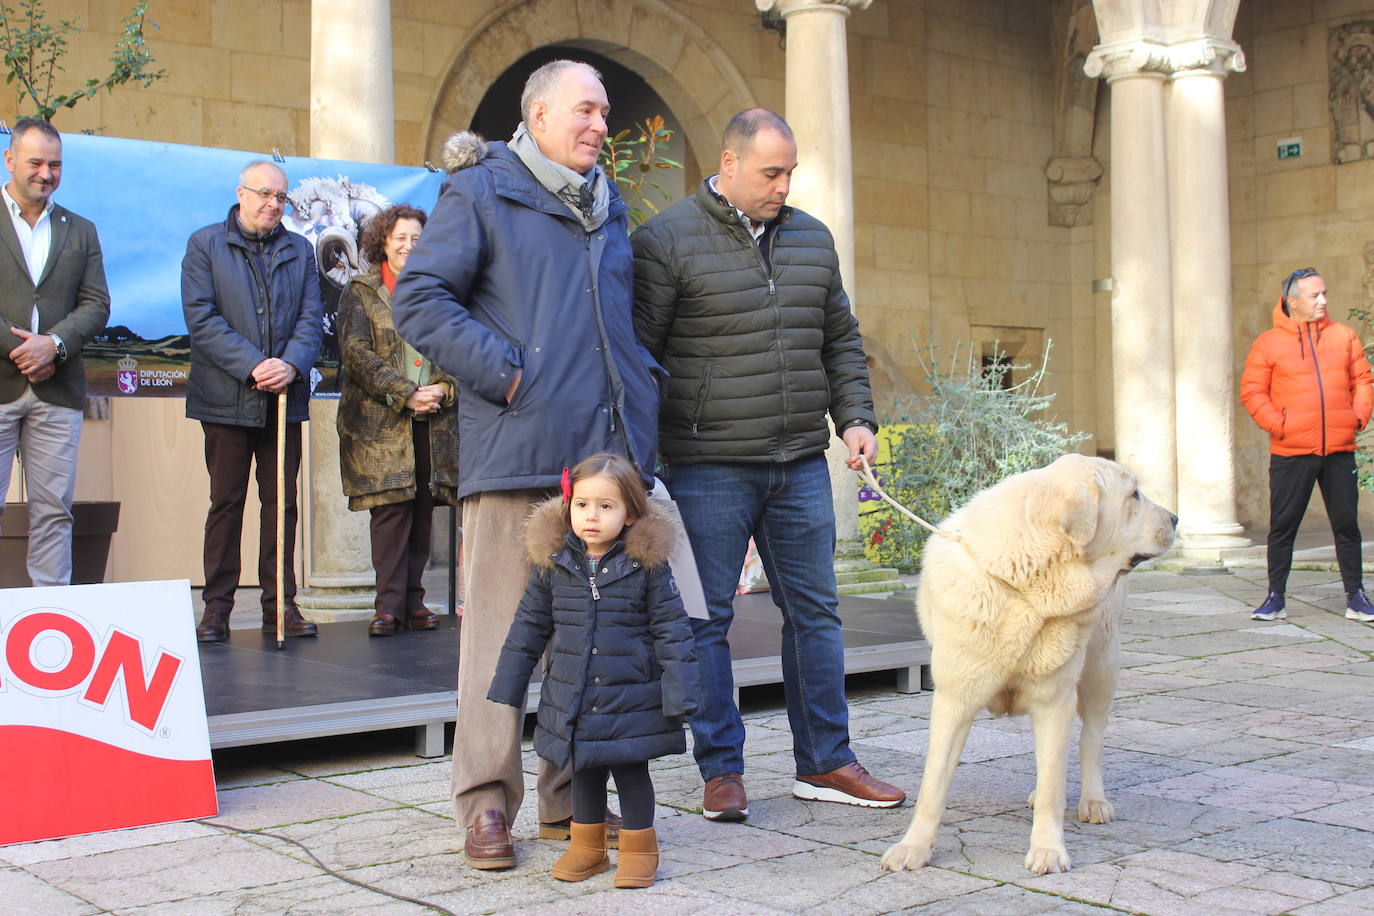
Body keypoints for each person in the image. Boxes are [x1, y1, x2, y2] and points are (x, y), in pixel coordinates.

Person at [391, 62, 662, 869]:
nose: (599, 125)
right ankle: (485, 805)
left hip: (599, 467)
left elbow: (620, 327)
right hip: (517, 456)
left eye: (606, 112)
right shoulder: (482, 191)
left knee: (588, 637)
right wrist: (512, 374)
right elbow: (420, 299)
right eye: (586, 110)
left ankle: (567, 802)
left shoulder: (608, 210)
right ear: (538, 115)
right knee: (503, 642)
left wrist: (643, 399)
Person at [631, 108, 905, 820]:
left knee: (816, 613)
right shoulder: (664, 242)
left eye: (790, 173)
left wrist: (855, 418)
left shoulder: (814, 240)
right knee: (706, 618)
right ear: (728, 163)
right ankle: (721, 769)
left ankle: (827, 761)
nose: (784, 186)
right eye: (770, 173)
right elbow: (640, 357)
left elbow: (840, 339)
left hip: (799, 463)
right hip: (707, 465)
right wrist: (642, 461)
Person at [488, 453, 697, 888]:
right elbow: (528, 626)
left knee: (632, 772)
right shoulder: (555, 564)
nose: (592, 517)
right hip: (574, 695)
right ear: (568, 507)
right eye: (582, 505)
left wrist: (680, 692)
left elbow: (673, 630)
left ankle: (641, 848)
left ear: (630, 512)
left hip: (632, 697)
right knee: (582, 771)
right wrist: (509, 683)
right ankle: (586, 846)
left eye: (606, 506)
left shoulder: (648, 568)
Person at [182, 160, 324, 642]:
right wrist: (254, 365)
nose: (273, 204)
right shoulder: (206, 244)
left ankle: (280, 605)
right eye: (264, 194)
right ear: (240, 193)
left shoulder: (299, 249)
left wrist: (289, 364)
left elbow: (311, 317)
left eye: (281, 197)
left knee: (281, 505)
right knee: (226, 503)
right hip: (226, 398)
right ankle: (217, 610)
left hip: (284, 399)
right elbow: (202, 320)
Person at [336, 204, 458, 636]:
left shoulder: (438, 291)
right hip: (380, 424)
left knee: (424, 509)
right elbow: (356, 355)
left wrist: (441, 388)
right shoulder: (360, 291)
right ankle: (387, 607)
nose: (409, 246)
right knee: (391, 512)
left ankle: (414, 601)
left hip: (433, 419)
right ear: (383, 241)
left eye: (418, 240)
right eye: (401, 237)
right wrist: (406, 393)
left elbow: (455, 346)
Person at [0, 118, 110, 587]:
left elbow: (97, 304)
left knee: (53, 513)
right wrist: (22, 350)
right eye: (36, 162)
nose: (46, 173)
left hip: (58, 391)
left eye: (55, 164)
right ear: (9, 159)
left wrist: (55, 345)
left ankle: (50, 624)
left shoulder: (80, 230)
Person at [1240, 267, 1374, 623]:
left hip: (1338, 449)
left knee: (1347, 525)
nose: (1323, 301)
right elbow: (1252, 391)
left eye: (1324, 293)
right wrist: (1279, 425)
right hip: (1291, 451)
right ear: (1292, 301)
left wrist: (1356, 417)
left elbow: (1362, 379)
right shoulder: (1268, 343)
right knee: (1283, 526)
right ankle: (1275, 597)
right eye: (1314, 295)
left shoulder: (1343, 336)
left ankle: (1357, 597)